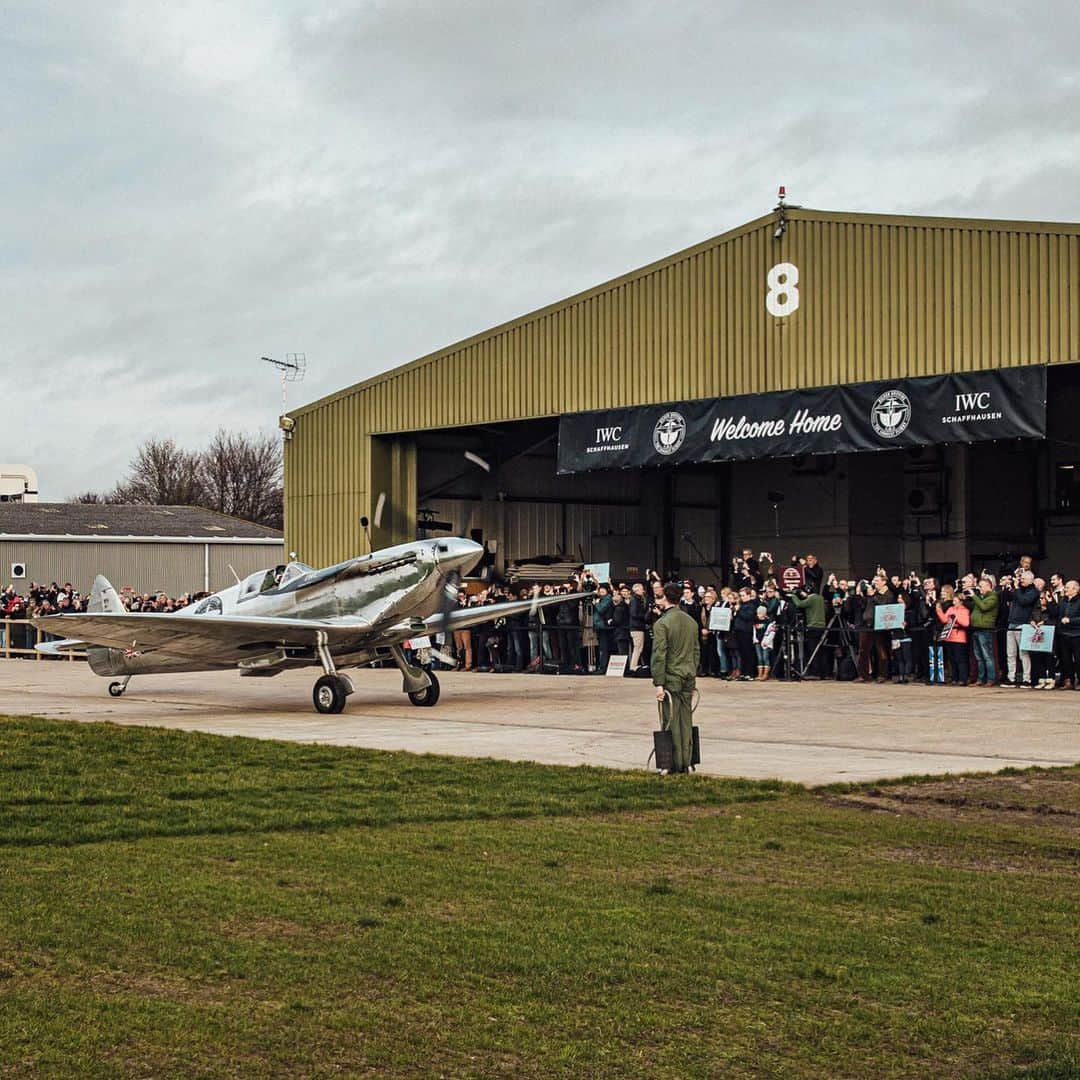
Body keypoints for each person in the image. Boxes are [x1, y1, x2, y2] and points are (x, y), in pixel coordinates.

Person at [651, 583, 700, 774]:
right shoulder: (691, 622)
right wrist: (692, 669)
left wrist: (659, 683)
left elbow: (659, 655)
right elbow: (696, 651)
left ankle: (670, 763)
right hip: (688, 674)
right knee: (686, 719)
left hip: (671, 676)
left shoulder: (662, 624)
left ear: (665, 598)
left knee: (669, 719)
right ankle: (687, 761)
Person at [968, 577, 999, 686]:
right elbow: (973, 606)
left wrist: (974, 596)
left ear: (988, 586)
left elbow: (984, 607)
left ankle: (990, 679)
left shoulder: (993, 597)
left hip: (985, 630)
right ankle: (980, 679)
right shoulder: (980, 598)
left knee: (987, 656)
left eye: (981, 586)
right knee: (978, 657)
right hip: (976, 629)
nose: (979, 588)